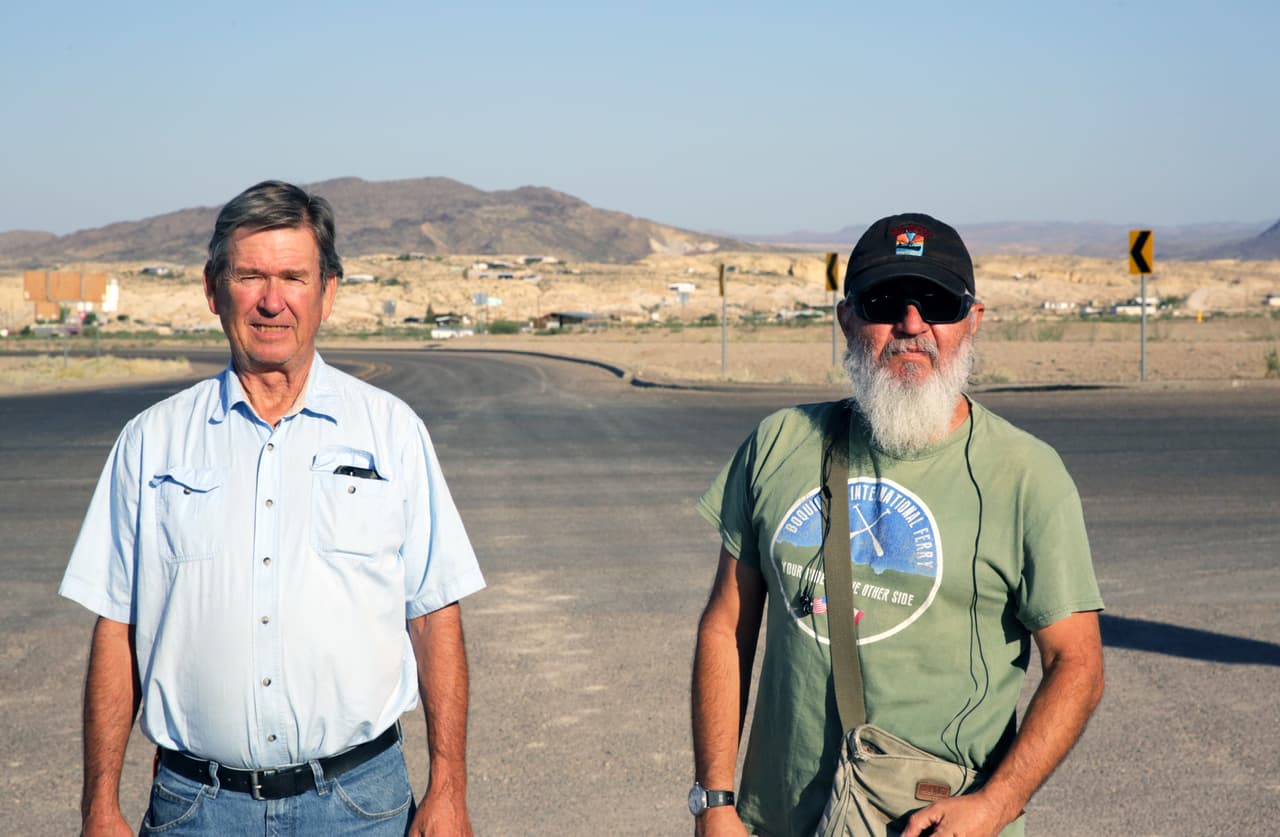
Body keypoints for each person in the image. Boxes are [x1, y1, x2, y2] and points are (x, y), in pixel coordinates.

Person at [60, 180, 486, 836]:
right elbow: (117, 627)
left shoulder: (391, 433)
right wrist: (99, 804)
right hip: (196, 807)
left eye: (293, 276)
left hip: (360, 805)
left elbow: (433, 615)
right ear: (213, 290)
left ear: (328, 292)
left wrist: (449, 788)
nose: (271, 299)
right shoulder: (152, 443)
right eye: (249, 275)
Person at [690, 213, 1104, 837]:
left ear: (973, 320)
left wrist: (995, 806)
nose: (912, 324)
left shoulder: (1027, 475)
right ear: (847, 319)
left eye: (936, 302)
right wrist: (715, 800)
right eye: (885, 301)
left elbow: (1078, 663)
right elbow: (727, 623)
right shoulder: (778, 443)